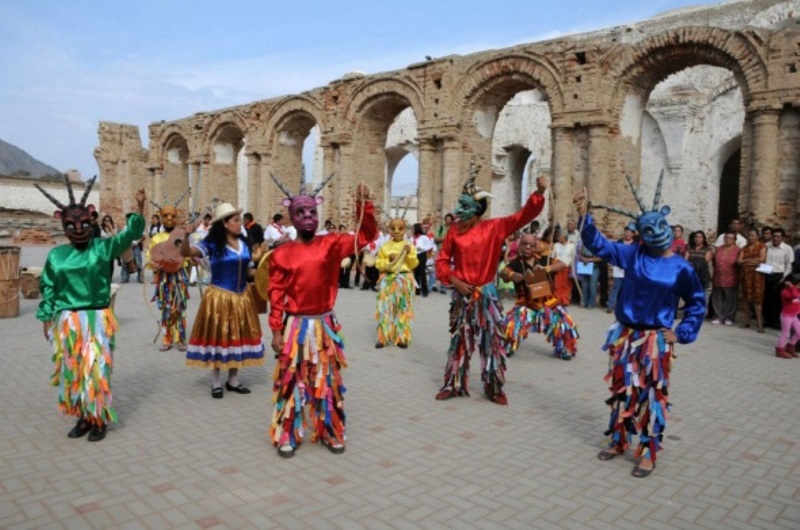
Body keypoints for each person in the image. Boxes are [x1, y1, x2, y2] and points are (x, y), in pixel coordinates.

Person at [574, 174, 705, 479]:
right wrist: (584, 213)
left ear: (667, 226)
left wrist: (681, 332)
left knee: (650, 396)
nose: (656, 233)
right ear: (642, 235)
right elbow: (599, 245)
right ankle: (619, 440)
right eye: (649, 230)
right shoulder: (633, 254)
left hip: (653, 341)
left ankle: (648, 453)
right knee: (622, 390)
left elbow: (697, 303)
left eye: (660, 226)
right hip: (625, 336)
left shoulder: (682, 268)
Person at [267, 175, 377, 458]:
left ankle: (329, 431)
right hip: (295, 328)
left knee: (326, 382)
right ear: (292, 217)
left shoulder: (331, 244)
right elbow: (276, 295)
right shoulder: (282, 254)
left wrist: (364, 205)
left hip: (324, 326)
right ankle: (288, 434)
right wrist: (276, 331)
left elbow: (365, 236)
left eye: (312, 212)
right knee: (291, 381)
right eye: (300, 213)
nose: (307, 217)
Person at [35, 178, 145, 442]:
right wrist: (46, 320)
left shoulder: (103, 247)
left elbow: (130, 235)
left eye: (84, 223)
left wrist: (139, 209)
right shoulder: (57, 255)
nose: (79, 229)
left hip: (96, 318)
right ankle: (83, 417)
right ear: (62, 224)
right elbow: (49, 288)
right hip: (67, 322)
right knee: (73, 370)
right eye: (71, 225)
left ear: (92, 219)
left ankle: (99, 419)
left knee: (95, 370)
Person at [434, 161, 548, 405]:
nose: (457, 210)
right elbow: (442, 261)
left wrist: (538, 194)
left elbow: (523, 216)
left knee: (492, 342)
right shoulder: (454, 231)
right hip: (462, 295)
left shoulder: (495, 228)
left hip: (487, 295)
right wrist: (454, 279)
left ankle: (494, 387)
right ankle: (453, 384)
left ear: (477, 209)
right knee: (459, 341)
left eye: (464, 205)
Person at [181, 203, 266, 397]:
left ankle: (233, 380)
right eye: (236, 220)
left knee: (237, 337)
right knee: (219, 338)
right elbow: (186, 253)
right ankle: (216, 382)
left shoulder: (244, 243)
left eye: (238, 220)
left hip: (241, 297)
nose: (239, 224)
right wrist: (186, 235)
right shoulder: (212, 243)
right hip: (219, 298)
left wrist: (264, 272)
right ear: (225, 224)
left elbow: (247, 270)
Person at [499, 232, 579, 360]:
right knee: (511, 323)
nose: (528, 247)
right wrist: (513, 276)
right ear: (520, 245)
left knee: (564, 323)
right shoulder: (516, 264)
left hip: (548, 302)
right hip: (526, 303)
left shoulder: (544, 259)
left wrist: (546, 269)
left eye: (531, 244)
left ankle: (562, 348)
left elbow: (562, 264)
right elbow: (502, 272)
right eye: (525, 244)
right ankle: (508, 346)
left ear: (536, 245)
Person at [146, 200, 190, 351]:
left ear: (176, 217)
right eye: (166, 216)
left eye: (172, 216)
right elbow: (151, 257)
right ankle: (167, 338)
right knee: (166, 308)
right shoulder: (156, 238)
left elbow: (187, 256)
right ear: (161, 218)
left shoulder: (182, 235)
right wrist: (155, 264)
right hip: (164, 279)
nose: (169, 219)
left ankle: (181, 339)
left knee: (179, 308)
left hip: (178, 277)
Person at [375, 217, 419, 349]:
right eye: (393, 228)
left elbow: (414, 263)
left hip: (404, 280)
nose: (396, 231)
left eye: (400, 228)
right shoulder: (385, 246)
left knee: (403, 309)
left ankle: (401, 337)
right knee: (385, 309)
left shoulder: (409, 246)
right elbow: (379, 264)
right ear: (389, 229)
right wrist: (388, 259)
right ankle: (383, 337)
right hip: (388, 280)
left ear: (404, 229)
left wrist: (408, 254)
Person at [762, 227, 795, 330]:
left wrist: (784, 277)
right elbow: (762, 260)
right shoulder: (766, 246)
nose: (775, 238)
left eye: (778, 236)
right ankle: (768, 320)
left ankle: (777, 322)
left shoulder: (787, 249)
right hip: (767, 273)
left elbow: (789, 264)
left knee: (778, 300)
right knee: (766, 299)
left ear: (782, 238)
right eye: (774, 236)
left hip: (779, 276)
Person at [737, 228, 766, 332]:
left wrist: (747, 261)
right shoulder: (744, 248)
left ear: (757, 236)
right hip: (745, 275)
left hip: (757, 275)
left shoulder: (762, 246)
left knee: (757, 299)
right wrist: (752, 261)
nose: (751, 237)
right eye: (749, 235)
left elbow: (761, 260)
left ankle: (759, 323)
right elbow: (739, 261)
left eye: (753, 235)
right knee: (746, 298)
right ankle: (746, 321)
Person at [710, 232, 740, 325]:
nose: (728, 239)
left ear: (734, 240)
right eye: (726, 237)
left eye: (730, 238)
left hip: (731, 277)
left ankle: (729, 317)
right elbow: (714, 261)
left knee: (730, 298)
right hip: (718, 276)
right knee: (717, 297)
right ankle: (718, 316)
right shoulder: (719, 249)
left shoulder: (738, 250)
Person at [607, 225, 636, 313]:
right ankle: (610, 305)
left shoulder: (635, 244)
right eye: (626, 232)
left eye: (630, 232)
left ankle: (625, 307)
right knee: (616, 287)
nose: (627, 234)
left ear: (633, 234)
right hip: (619, 268)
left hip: (629, 269)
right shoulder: (619, 242)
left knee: (627, 289)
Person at [775, 274, 800, 359]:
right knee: (785, 333)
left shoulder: (796, 290)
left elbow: (797, 299)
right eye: (798, 284)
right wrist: (792, 288)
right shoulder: (784, 292)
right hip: (786, 316)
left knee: (799, 333)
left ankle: (790, 346)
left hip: (794, 316)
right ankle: (779, 349)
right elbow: (795, 297)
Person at [552, 228, 576, 306]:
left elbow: (574, 257)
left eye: (560, 236)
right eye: (558, 237)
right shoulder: (556, 245)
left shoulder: (571, 245)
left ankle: (565, 299)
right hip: (557, 266)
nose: (558, 238)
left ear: (565, 237)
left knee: (566, 284)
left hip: (567, 266)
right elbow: (553, 256)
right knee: (557, 284)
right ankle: (557, 299)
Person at [120, 212, 145, 284]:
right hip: (127, 247)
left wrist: (136, 243)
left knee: (138, 262)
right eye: (128, 218)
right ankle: (125, 277)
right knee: (125, 262)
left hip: (136, 246)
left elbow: (143, 237)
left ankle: (140, 277)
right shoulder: (125, 227)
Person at [576, 242, 602, 309]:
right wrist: (583, 259)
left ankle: (591, 303)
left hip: (594, 266)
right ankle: (584, 302)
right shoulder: (583, 244)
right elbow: (580, 253)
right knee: (584, 285)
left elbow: (601, 257)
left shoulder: (597, 244)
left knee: (592, 285)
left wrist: (589, 260)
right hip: (585, 266)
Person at [412, 223, 435, 297]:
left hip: (422, 255)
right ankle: (417, 290)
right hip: (415, 255)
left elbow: (429, 245)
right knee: (416, 273)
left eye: (413, 229)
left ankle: (425, 291)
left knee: (422, 272)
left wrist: (422, 248)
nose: (412, 230)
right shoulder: (413, 238)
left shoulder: (424, 237)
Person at [100, 214, 118, 281]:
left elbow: (115, 237)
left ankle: (110, 278)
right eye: (105, 220)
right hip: (103, 249)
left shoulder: (114, 229)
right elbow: (102, 237)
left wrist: (110, 228)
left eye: (108, 220)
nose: (107, 222)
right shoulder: (101, 229)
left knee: (111, 263)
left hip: (111, 248)